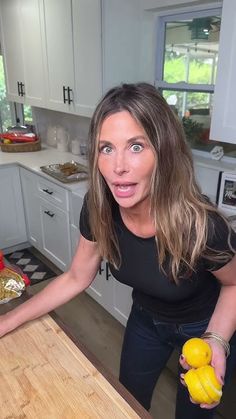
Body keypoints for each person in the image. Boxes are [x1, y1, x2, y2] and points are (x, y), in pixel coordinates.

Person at [1, 83, 236, 419]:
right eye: (106, 149)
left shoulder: (203, 225)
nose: (117, 166)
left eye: (136, 147)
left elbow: (234, 283)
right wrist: (7, 321)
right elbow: (75, 277)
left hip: (202, 325)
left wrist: (216, 338)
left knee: (195, 414)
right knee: (128, 400)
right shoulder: (99, 209)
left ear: (165, 152)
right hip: (146, 319)